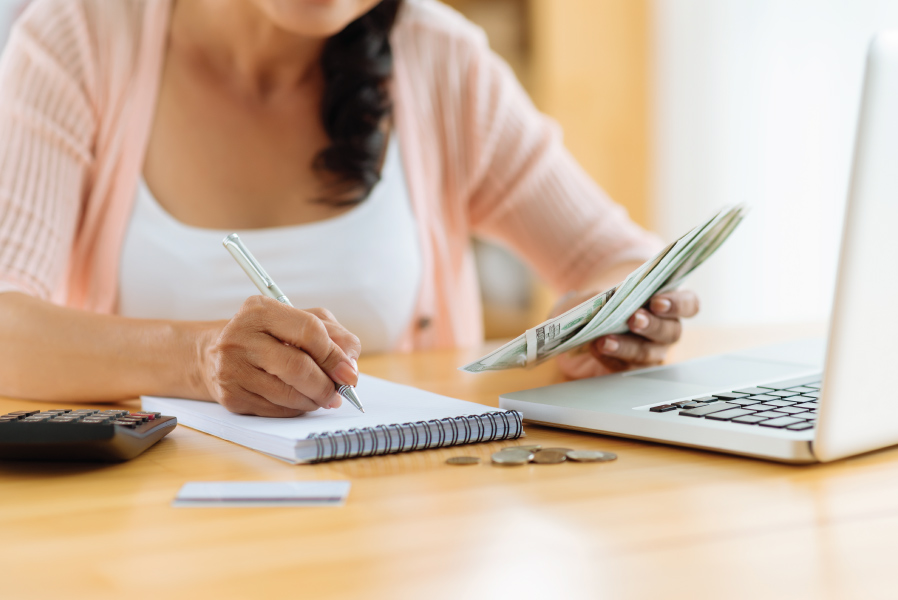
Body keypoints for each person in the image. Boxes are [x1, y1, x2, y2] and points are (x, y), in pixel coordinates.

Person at [0, 0, 699, 417]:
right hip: (137, 532)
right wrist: (197, 359)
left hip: (394, 526)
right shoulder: (81, 40)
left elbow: (618, 256)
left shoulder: (438, 58)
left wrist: (616, 321)